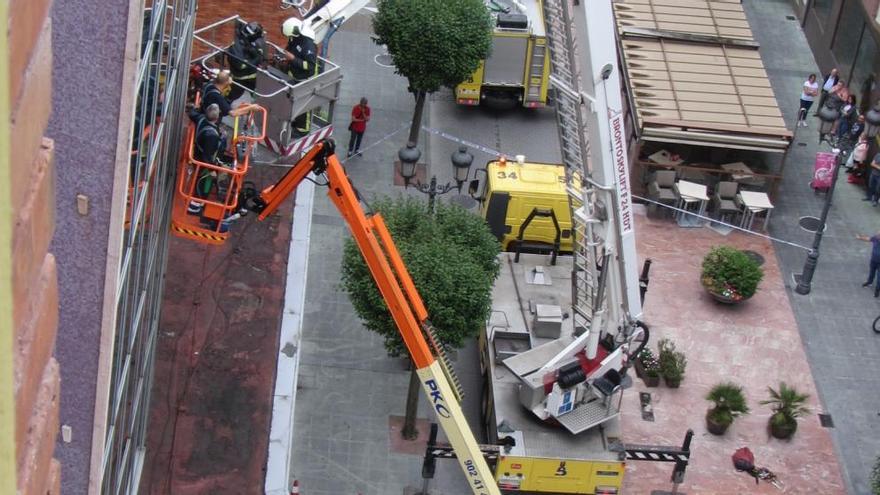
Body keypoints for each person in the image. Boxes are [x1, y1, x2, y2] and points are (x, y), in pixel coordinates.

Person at [188, 103, 227, 215]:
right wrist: (212, 170)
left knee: (201, 180)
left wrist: (193, 108)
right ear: (217, 117)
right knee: (203, 182)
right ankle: (195, 207)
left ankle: (196, 203)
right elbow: (207, 156)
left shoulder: (200, 119)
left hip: (198, 154)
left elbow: (192, 114)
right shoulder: (212, 136)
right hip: (203, 162)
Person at [226, 21, 266, 102]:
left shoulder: (253, 43)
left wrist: (255, 54)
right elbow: (241, 66)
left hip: (253, 80)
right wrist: (256, 59)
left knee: (259, 98)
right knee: (231, 98)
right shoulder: (235, 47)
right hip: (239, 81)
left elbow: (260, 54)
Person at [856, 231, 880, 297]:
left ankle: (877, 290)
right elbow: (868, 239)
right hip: (873, 260)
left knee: (879, 278)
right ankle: (869, 282)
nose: (877, 235)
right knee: (872, 272)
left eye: (879, 235)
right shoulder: (875, 239)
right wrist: (860, 238)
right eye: (877, 234)